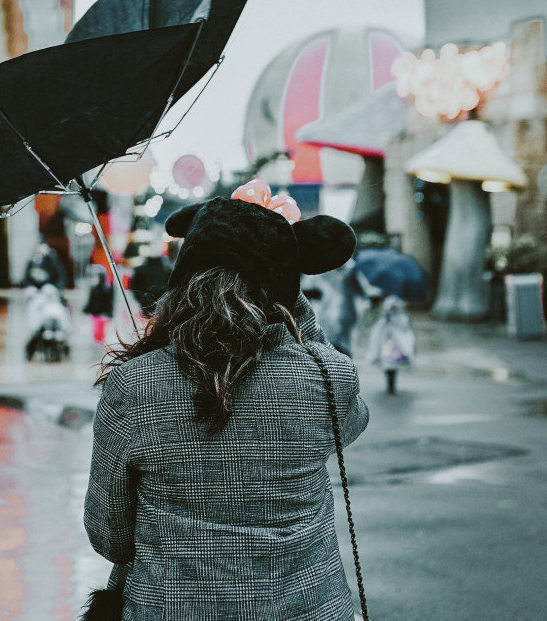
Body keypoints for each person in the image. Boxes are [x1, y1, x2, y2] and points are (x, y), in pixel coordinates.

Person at [84, 182, 366, 619]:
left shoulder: (134, 385)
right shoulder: (327, 375)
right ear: (283, 290)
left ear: (180, 282)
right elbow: (353, 422)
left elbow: (109, 537)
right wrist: (296, 309)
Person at [364, 294, 416, 395]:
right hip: (388, 342)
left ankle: (391, 385)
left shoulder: (400, 313)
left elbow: (404, 328)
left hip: (396, 343)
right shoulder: (386, 317)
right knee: (388, 364)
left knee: (392, 365)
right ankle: (390, 385)